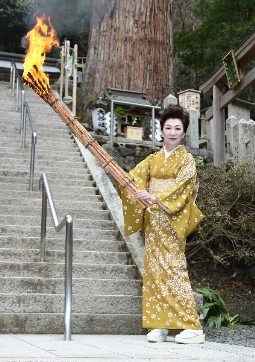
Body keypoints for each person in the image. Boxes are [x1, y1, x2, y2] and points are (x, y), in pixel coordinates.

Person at [103, 104, 205, 344]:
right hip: (153, 222)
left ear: (183, 132)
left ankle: (192, 326)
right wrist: (112, 170)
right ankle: (159, 324)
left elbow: (184, 188)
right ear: (161, 130)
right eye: (168, 127)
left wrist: (156, 197)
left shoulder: (187, 160)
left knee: (174, 270)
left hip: (171, 220)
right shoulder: (153, 159)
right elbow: (131, 180)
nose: (172, 132)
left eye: (177, 128)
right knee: (153, 273)